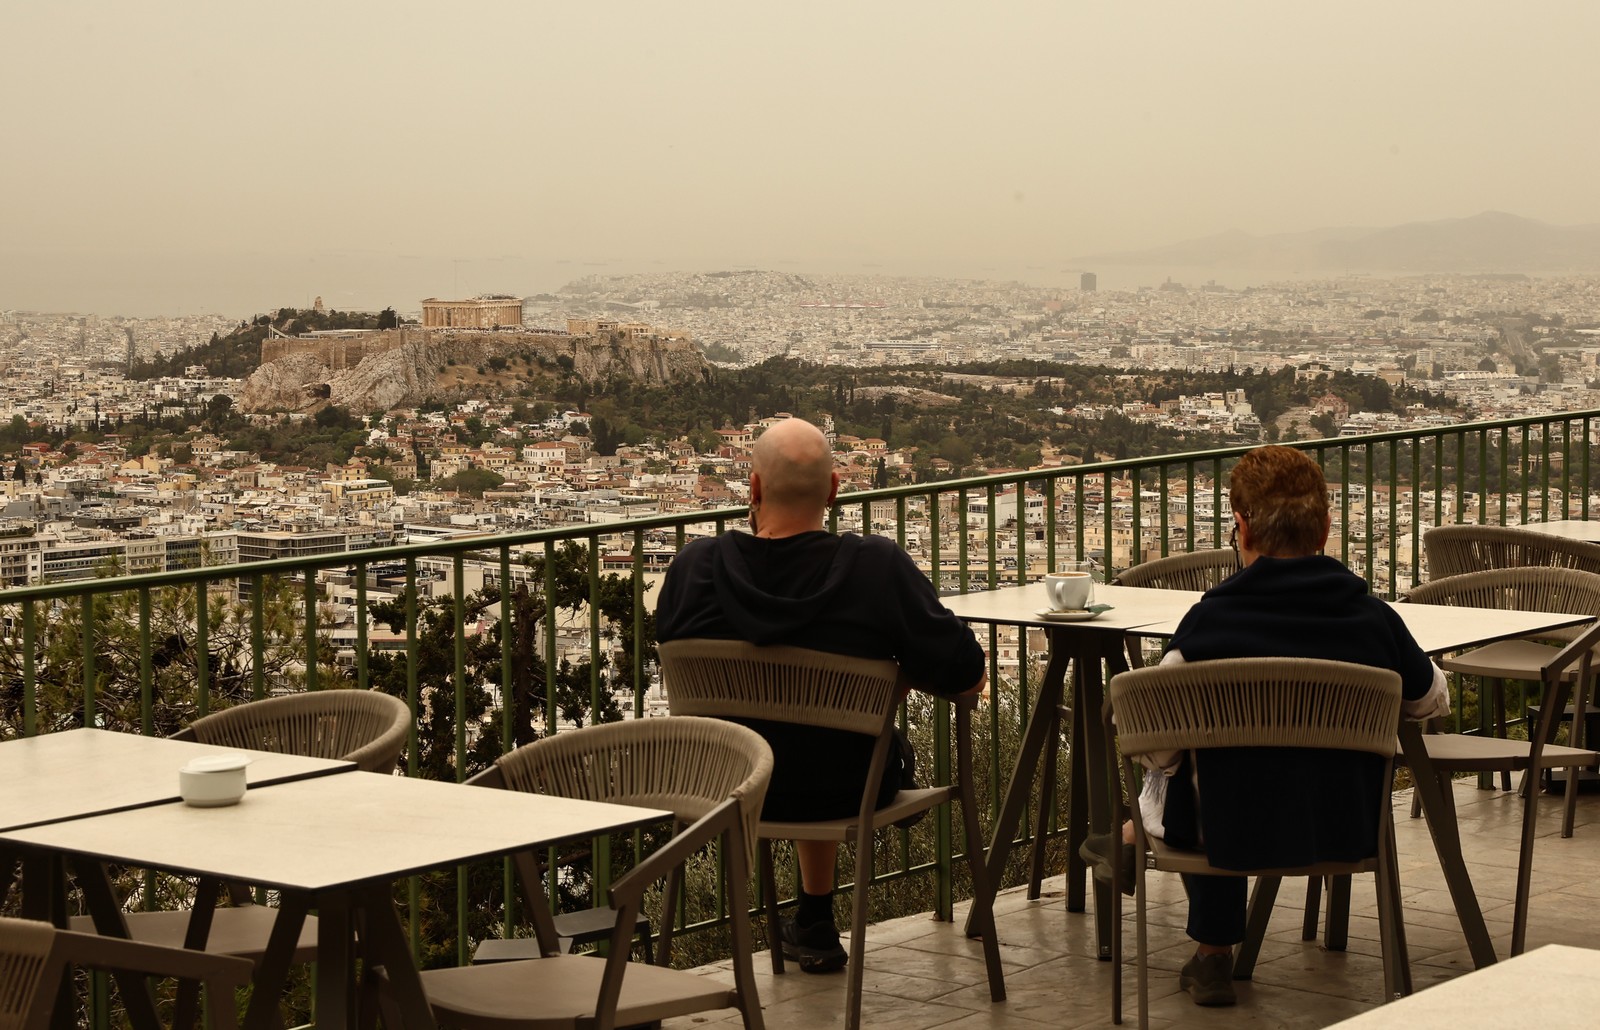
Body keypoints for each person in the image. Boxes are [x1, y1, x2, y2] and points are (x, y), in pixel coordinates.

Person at [1080, 445, 1448, 1007]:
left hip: (1226, 830)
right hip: (1344, 826)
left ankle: (1206, 944)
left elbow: (1154, 740)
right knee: (1208, 770)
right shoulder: (1373, 620)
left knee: (1192, 769)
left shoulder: (1208, 624)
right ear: (1325, 529)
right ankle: (1190, 922)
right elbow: (1429, 701)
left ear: (1241, 528)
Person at [655, 417, 986, 973]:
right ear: (834, 489)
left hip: (726, 791)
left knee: (799, 738)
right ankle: (816, 914)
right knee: (846, 743)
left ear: (753, 488)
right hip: (846, 791)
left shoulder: (695, 568)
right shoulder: (874, 569)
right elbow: (965, 673)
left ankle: (813, 919)